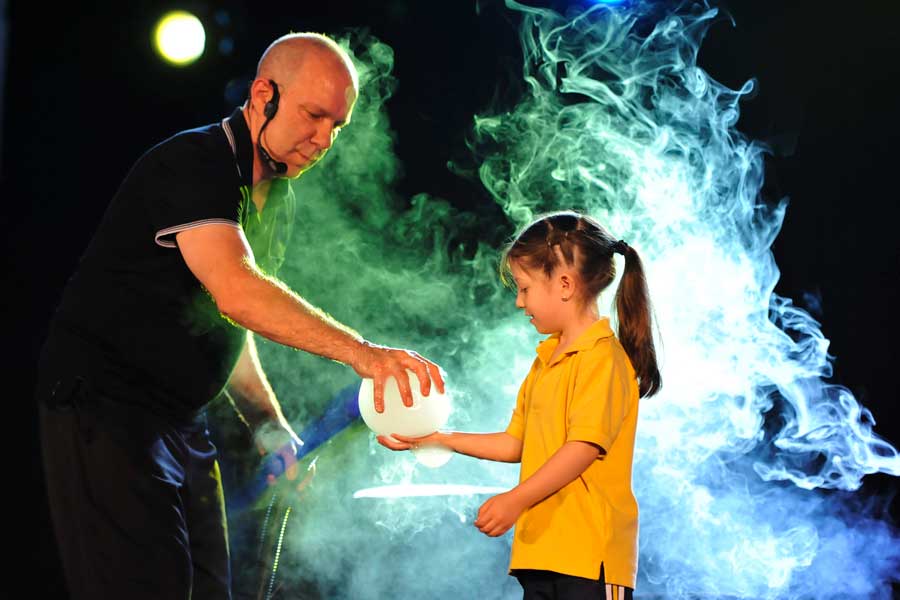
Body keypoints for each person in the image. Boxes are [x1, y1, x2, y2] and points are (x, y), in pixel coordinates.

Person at [36, 32, 443, 600]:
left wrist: (267, 425)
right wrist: (364, 355)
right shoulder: (194, 163)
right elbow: (237, 292)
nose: (324, 139)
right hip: (108, 412)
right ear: (262, 94)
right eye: (313, 115)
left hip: (181, 422)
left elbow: (226, 322)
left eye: (337, 126)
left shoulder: (277, 198)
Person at [379, 211, 660, 600]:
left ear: (564, 285)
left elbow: (582, 449)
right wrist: (432, 439)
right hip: (541, 555)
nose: (518, 301)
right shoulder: (545, 360)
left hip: (589, 560)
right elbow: (516, 444)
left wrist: (516, 500)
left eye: (525, 288)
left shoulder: (603, 360)